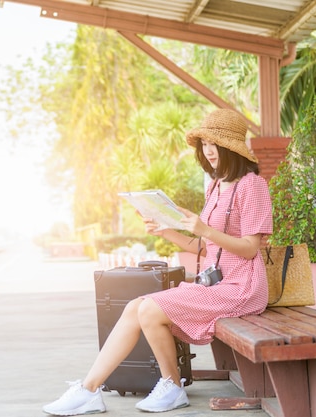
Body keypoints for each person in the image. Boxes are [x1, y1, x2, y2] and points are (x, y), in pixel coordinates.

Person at [42, 108, 273, 416]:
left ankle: (167, 386)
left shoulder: (252, 185)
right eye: (203, 144)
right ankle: (90, 389)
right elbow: (203, 247)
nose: (207, 150)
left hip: (242, 288)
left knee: (149, 308)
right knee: (136, 307)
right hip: (216, 283)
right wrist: (166, 231)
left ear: (230, 146)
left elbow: (249, 249)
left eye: (213, 144)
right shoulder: (216, 186)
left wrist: (205, 229)